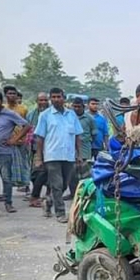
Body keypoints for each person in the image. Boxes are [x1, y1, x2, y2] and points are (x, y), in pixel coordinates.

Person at [34, 88, 83, 223]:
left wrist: (79, 154)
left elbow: (78, 135)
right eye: (53, 97)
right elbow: (40, 138)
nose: (56, 99)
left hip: (68, 155)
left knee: (64, 185)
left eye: (58, 97)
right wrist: (39, 157)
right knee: (57, 184)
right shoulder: (45, 115)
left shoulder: (72, 115)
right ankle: (60, 213)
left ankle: (49, 200)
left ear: (64, 98)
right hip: (52, 154)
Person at [0, 90, 31, 213]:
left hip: (4, 152)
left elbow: (27, 125)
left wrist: (14, 139)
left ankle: (8, 203)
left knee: (6, 178)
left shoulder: (9, 114)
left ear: (1, 101)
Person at [67, 97, 96, 199]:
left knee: (85, 174)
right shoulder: (69, 117)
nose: (76, 109)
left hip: (85, 149)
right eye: (74, 106)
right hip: (71, 149)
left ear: (83, 107)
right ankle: (73, 194)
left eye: (78, 107)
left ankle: (86, 194)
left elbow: (94, 134)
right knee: (72, 174)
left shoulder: (89, 119)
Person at [26, 92, 50, 207]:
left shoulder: (51, 114)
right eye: (41, 100)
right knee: (38, 172)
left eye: (45, 100)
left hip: (51, 147)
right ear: (37, 101)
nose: (43, 102)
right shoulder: (31, 115)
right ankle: (35, 195)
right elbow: (28, 130)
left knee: (51, 172)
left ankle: (48, 194)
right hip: (36, 147)